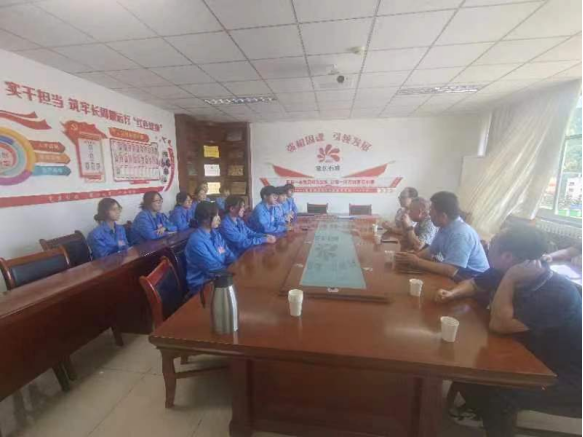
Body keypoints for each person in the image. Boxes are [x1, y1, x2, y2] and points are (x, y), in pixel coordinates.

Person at [436, 226, 582, 437]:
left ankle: (495, 419)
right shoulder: (503, 269)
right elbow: (474, 284)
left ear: (507, 256)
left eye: (493, 244)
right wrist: (452, 293)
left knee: (501, 393)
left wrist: (510, 279)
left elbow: (499, 324)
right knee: (466, 368)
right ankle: (481, 410)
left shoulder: (557, 293)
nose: (487, 246)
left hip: (566, 376)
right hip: (532, 356)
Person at [396, 191, 489, 281]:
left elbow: (450, 270)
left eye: (431, 210)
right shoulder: (445, 227)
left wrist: (416, 261)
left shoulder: (461, 234)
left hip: (472, 281)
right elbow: (430, 252)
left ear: (443, 216)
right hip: (458, 275)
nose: (429, 213)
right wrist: (410, 257)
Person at [185, 201, 237, 299]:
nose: (219, 218)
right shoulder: (196, 241)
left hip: (220, 277)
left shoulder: (215, 233)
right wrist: (233, 273)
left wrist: (236, 265)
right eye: (216, 215)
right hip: (204, 285)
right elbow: (212, 269)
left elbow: (228, 253)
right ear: (205, 219)